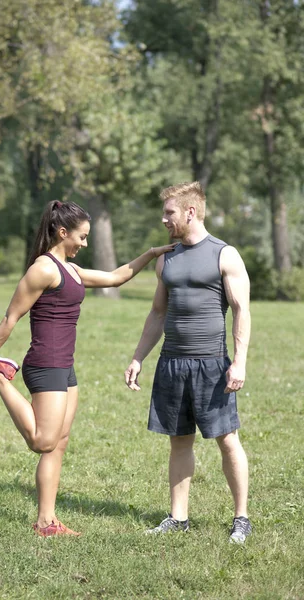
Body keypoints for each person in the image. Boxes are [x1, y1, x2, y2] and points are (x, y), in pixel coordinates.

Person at [0, 199, 173, 538]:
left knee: (59, 443)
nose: (85, 243)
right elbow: (11, 316)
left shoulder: (69, 268)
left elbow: (115, 278)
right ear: (63, 232)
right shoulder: (44, 268)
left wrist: (154, 252)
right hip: (44, 364)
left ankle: (46, 522)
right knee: (42, 440)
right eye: (81, 237)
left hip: (65, 367)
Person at [124, 182, 252, 544]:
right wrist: (138, 357)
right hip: (171, 363)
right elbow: (157, 313)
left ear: (190, 212)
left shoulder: (224, 254)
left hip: (212, 365)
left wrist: (238, 362)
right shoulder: (167, 258)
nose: (164, 219)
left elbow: (242, 311)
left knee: (227, 441)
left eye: (169, 213)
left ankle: (241, 517)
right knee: (179, 442)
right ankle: (178, 518)